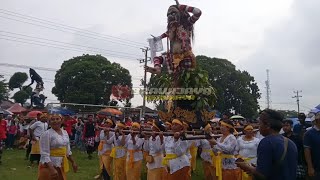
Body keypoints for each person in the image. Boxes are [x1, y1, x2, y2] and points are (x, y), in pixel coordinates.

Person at [236, 109, 298, 180]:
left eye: (260, 124)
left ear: (268, 125)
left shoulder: (266, 142)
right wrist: (256, 168)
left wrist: (247, 167)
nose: (259, 127)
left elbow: (262, 175)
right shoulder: (290, 143)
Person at [38, 114, 78, 180]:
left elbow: (67, 150)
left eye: (57, 119)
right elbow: (44, 153)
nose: (55, 121)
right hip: (50, 164)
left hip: (61, 163)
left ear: (61, 120)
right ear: (49, 122)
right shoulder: (46, 134)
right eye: (52, 119)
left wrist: (73, 162)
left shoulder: (65, 133)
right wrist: (52, 169)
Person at [304, 113, 320, 179]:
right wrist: (310, 167)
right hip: (316, 168)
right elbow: (307, 150)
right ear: (317, 121)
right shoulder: (309, 133)